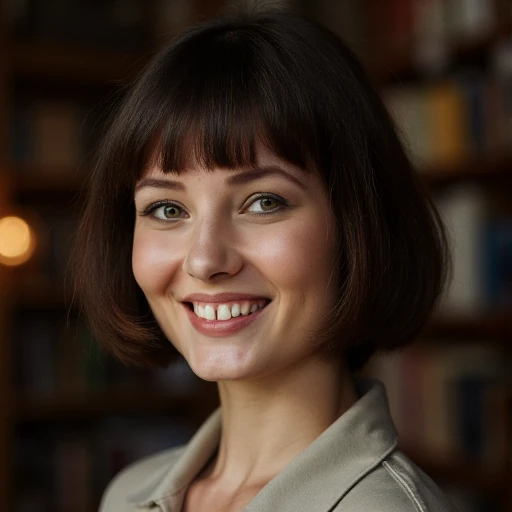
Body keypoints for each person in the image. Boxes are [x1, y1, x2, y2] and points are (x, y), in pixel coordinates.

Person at [74, 7, 457, 512]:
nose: (205, 260)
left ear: (360, 226)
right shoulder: (128, 495)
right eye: (168, 208)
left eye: (264, 202)